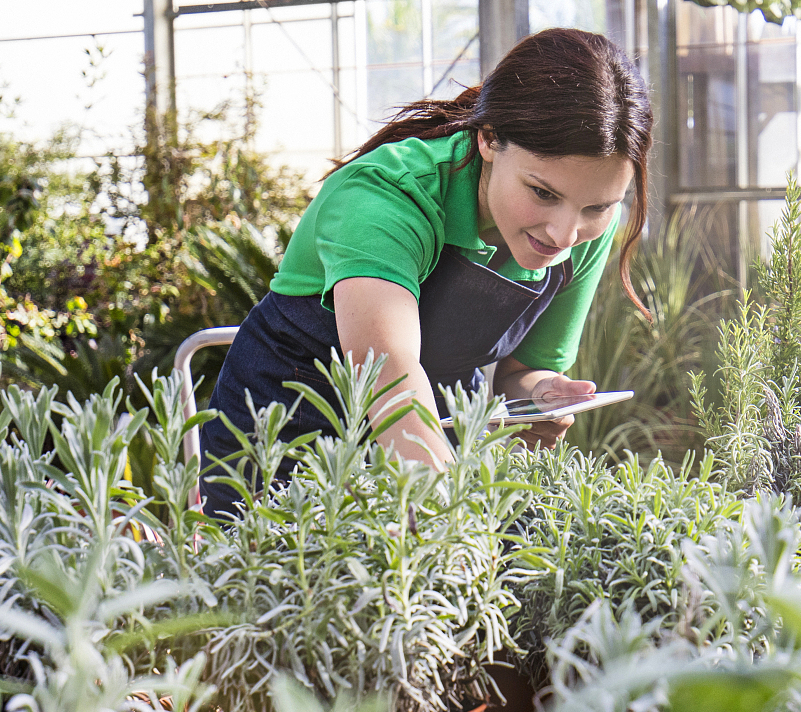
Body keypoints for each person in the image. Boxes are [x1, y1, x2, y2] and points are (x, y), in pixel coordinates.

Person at [197, 27, 650, 515]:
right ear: (489, 138)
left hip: (435, 430)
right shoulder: (386, 197)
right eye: (543, 193)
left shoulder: (586, 229)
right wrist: (451, 525)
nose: (565, 234)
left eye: (598, 206)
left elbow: (521, 372)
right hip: (287, 434)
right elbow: (389, 377)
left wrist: (539, 394)